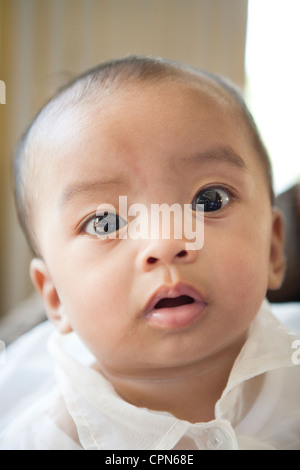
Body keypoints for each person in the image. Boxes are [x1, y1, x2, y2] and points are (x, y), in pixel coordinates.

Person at [1, 55, 299, 450]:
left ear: (273, 250)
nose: (166, 242)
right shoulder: (52, 439)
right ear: (55, 297)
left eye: (209, 200)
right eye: (105, 223)